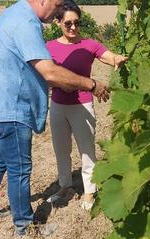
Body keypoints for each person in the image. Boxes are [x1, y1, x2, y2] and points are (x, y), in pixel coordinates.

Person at [0, 0, 109, 236]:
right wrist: (91, 84)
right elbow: (49, 71)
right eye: (56, 6)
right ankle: (25, 227)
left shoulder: (13, 14)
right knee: (20, 169)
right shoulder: (26, 22)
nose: (57, 11)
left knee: (0, 160)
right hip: (11, 107)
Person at [45, 0, 127, 210]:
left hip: (82, 106)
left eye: (77, 23)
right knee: (61, 149)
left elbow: (108, 56)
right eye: (68, 23)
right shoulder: (49, 47)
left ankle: (90, 191)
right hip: (57, 106)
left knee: (87, 150)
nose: (73, 27)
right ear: (58, 22)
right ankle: (65, 186)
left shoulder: (89, 44)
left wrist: (117, 59)